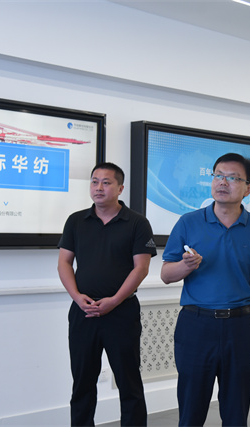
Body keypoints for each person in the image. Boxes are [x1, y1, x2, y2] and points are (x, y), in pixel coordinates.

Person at [160, 153, 250, 427]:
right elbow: (166, 275)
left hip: (241, 326)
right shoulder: (188, 222)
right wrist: (186, 266)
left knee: (236, 412)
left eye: (232, 178)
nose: (223, 182)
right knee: (191, 410)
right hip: (196, 325)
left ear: (248, 188)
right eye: (218, 176)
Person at [57, 162, 157, 426]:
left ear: (120, 188)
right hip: (83, 312)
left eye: (106, 182)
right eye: (94, 181)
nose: (98, 187)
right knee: (82, 383)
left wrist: (114, 301)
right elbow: (64, 262)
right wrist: (77, 297)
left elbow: (141, 268)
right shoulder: (76, 221)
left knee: (129, 382)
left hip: (122, 313)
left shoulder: (137, 223)